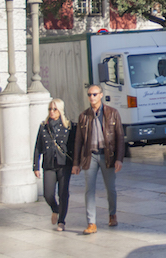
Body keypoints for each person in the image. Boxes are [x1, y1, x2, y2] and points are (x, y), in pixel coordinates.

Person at [72, 85, 125, 235]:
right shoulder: (84, 116)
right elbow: (78, 141)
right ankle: (91, 223)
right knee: (89, 190)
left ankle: (112, 214)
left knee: (111, 189)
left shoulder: (113, 113)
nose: (92, 97)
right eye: (89, 95)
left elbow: (120, 138)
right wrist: (76, 163)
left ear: (101, 95)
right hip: (90, 155)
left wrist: (119, 159)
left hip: (107, 155)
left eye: (94, 94)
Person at [33, 98, 75, 232]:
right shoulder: (44, 126)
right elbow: (38, 147)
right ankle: (55, 209)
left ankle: (62, 221)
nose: (52, 112)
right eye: (50, 109)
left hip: (64, 164)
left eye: (55, 109)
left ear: (60, 110)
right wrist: (36, 166)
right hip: (49, 164)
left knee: (63, 193)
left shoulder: (68, 126)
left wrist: (76, 164)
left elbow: (73, 146)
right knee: (48, 194)